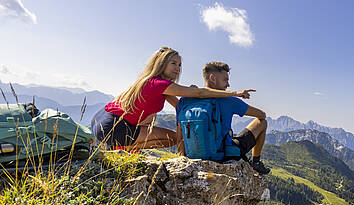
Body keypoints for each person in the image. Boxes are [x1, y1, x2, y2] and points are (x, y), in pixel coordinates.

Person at [91, 47, 255, 150]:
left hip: (100, 120)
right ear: (162, 64)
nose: (178, 68)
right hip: (113, 126)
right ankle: (124, 148)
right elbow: (200, 93)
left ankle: (124, 149)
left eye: (179, 65)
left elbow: (179, 105)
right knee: (174, 138)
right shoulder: (159, 84)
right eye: (173, 64)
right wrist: (234, 93)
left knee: (151, 118)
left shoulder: (152, 82)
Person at [177, 61, 270, 174]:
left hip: (192, 154)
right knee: (263, 122)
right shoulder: (230, 100)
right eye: (225, 80)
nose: (228, 85)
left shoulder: (185, 100)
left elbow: (179, 130)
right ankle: (256, 163)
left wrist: (182, 157)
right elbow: (261, 115)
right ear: (212, 78)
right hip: (223, 155)